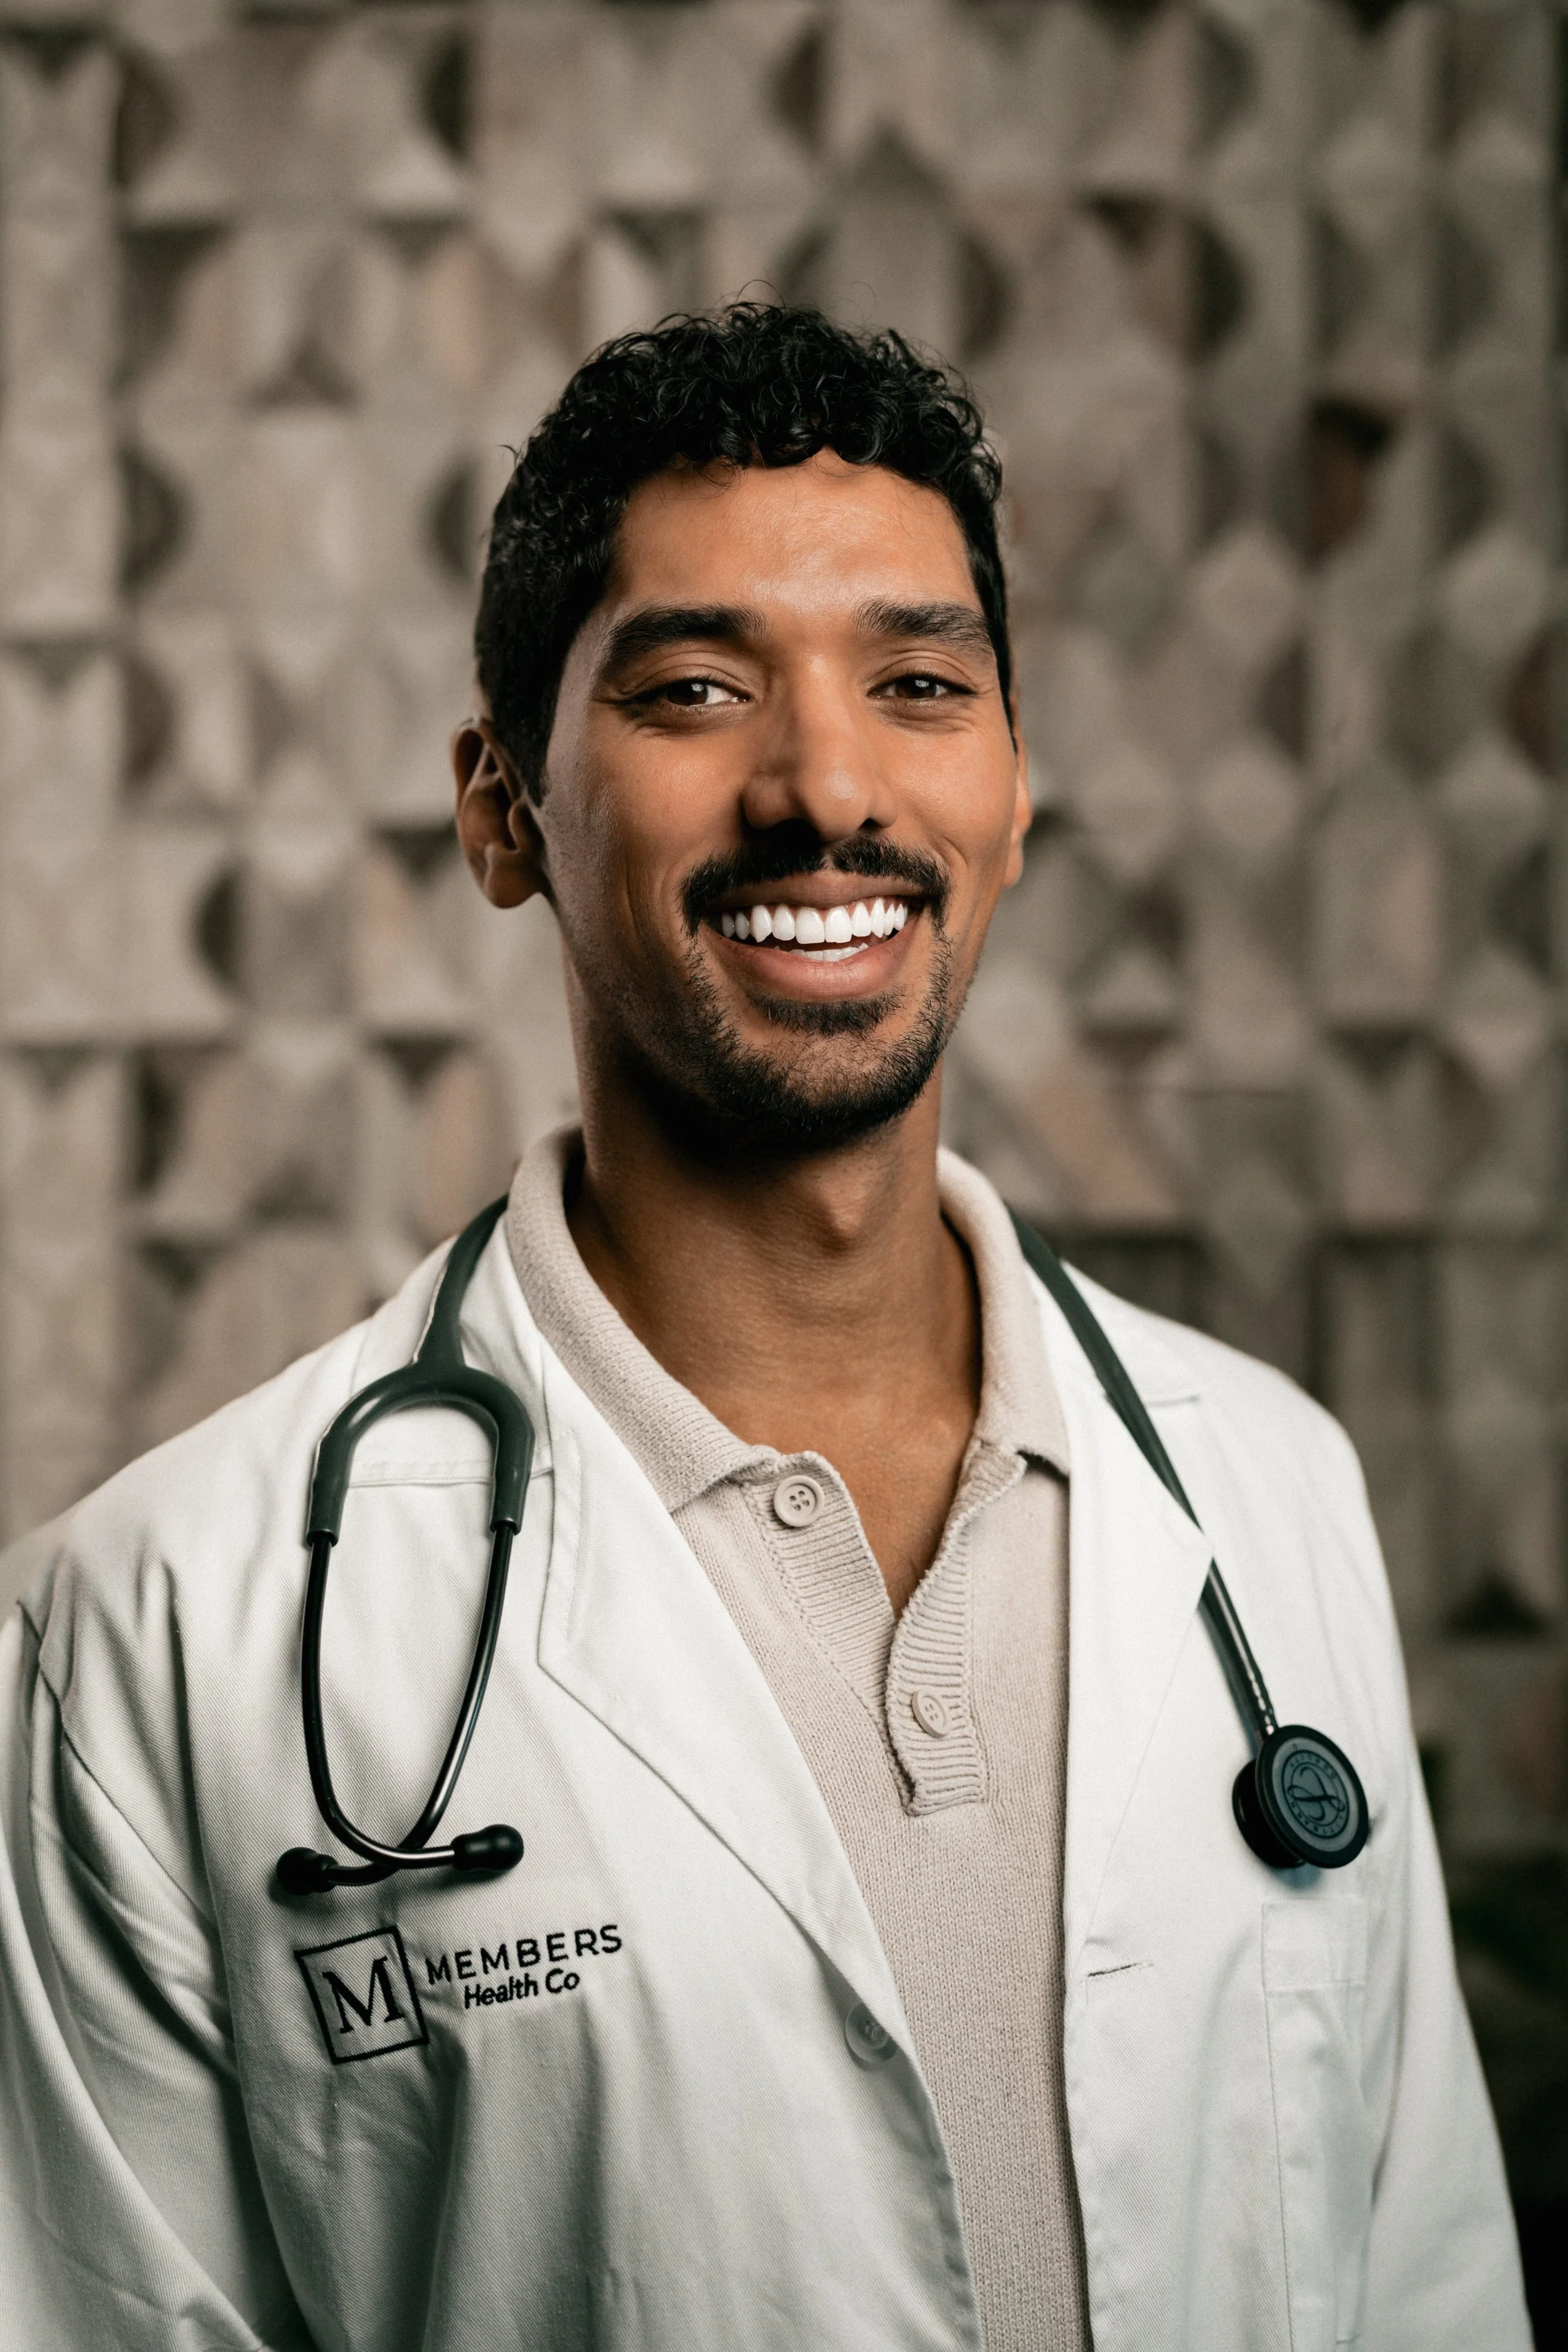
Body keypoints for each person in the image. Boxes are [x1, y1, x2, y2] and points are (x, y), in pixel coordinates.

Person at [0, 304, 1528, 2352]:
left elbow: (1428, 2289)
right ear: (501, 808)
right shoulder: (154, 1628)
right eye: (696, 689)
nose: (825, 785)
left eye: (918, 684)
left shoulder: (1266, 1485)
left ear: (1010, 791)